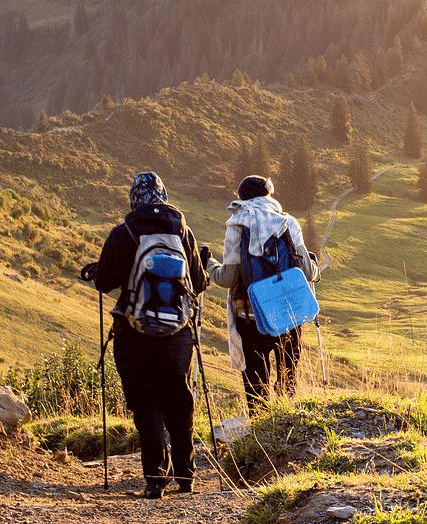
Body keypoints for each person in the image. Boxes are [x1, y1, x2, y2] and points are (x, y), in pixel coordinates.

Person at [93, 172, 208, 499]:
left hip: (133, 332)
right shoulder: (183, 231)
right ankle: (187, 476)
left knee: (145, 403)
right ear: (163, 196)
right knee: (180, 400)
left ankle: (155, 478)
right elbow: (198, 283)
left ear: (133, 199)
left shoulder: (123, 232)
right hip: (178, 334)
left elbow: (103, 282)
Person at [203, 175, 320, 415]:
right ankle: (288, 431)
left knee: (257, 385)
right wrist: (315, 267)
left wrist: (208, 263)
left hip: (250, 315)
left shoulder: (237, 224)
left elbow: (227, 278)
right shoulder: (288, 222)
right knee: (288, 379)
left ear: (242, 199)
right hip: (288, 313)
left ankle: (259, 434)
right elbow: (307, 272)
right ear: (269, 196)